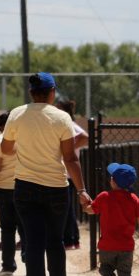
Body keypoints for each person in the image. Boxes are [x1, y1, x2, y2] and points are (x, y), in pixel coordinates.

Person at [0, 72, 92, 276]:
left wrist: (25, 147)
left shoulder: (16, 115)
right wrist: (81, 189)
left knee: (33, 242)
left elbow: (7, 149)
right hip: (56, 187)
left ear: (31, 93)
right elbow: (70, 158)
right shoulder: (61, 118)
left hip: (25, 186)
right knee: (55, 241)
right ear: (52, 92)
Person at [84, 163, 139, 276]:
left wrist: (86, 205)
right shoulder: (133, 199)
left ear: (113, 181)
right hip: (126, 246)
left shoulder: (104, 197)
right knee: (125, 273)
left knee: (105, 268)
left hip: (107, 245)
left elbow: (91, 210)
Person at [0, 112, 25, 276]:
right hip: (24, 187)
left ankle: (8, 265)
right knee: (26, 226)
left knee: (7, 228)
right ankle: (29, 258)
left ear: (2, 127)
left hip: (3, 189)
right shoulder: (25, 140)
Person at [55, 97, 89, 250]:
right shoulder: (63, 124)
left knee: (65, 208)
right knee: (67, 208)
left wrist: (66, 148)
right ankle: (73, 239)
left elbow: (85, 137)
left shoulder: (68, 124)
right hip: (66, 172)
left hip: (67, 172)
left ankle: (70, 240)